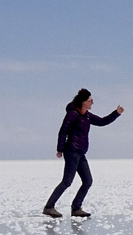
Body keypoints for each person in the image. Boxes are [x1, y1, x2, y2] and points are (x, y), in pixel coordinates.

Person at [44, 89, 123, 218]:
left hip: (81, 153)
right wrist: (60, 149)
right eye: (90, 100)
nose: (93, 102)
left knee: (87, 181)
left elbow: (102, 121)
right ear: (83, 101)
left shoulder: (87, 116)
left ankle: (76, 208)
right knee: (67, 181)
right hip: (71, 152)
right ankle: (49, 207)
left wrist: (116, 113)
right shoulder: (73, 114)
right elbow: (63, 131)